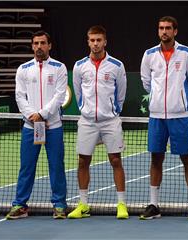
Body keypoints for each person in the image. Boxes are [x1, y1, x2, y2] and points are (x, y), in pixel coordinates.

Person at [139, 16, 188, 220]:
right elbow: (146, 82)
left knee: (187, 159)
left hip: (180, 115)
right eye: (161, 28)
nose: (164, 31)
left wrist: (179, 100)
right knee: (156, 158)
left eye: (167, 28)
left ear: (175, 31)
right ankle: (153, 204)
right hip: (157, 116)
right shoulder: (149, 54)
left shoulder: (186, 53)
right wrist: (159, 101)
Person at [6, 30, 68, 220]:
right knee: (26, 167)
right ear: (32, 46)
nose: (39, 46)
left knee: (56, 166)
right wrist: (33, 117)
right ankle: (20, 205)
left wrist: (42, 114)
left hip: (53, 127)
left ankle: (59, 205)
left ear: (49, 45)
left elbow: (60, 96)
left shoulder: (59, 68)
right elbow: (19, 96)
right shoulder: (23, 69)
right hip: (30, 127)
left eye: (42, 43)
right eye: (36, 43)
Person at [69, 25, 128, 219]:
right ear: (88, 42)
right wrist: (85, 109)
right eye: (92, 40)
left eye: (99, 40)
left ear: (105, 41)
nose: (95, 44)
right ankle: (83, 204)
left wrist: (111, 111)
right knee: (83, 161)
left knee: (116, 160)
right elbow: (78, 92)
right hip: (87, 121)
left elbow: (121, 94)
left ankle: (121, 204)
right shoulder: (79, 66)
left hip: (110, 121)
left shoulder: (117, 66)